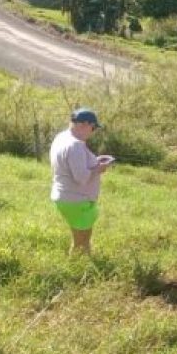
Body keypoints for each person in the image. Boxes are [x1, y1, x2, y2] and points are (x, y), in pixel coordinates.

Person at [49, 108, 112, 255]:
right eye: (93, 127)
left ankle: (81, 267)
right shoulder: (75, 145)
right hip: (77, 200)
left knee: (80, 241)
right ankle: (80, 272)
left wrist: (94, 162)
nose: (93, 131)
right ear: (84, 124)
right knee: (82, 243)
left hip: (66, 197)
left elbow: (70, 165)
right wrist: (99, 168)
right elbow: (81, 178)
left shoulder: (61, 137)